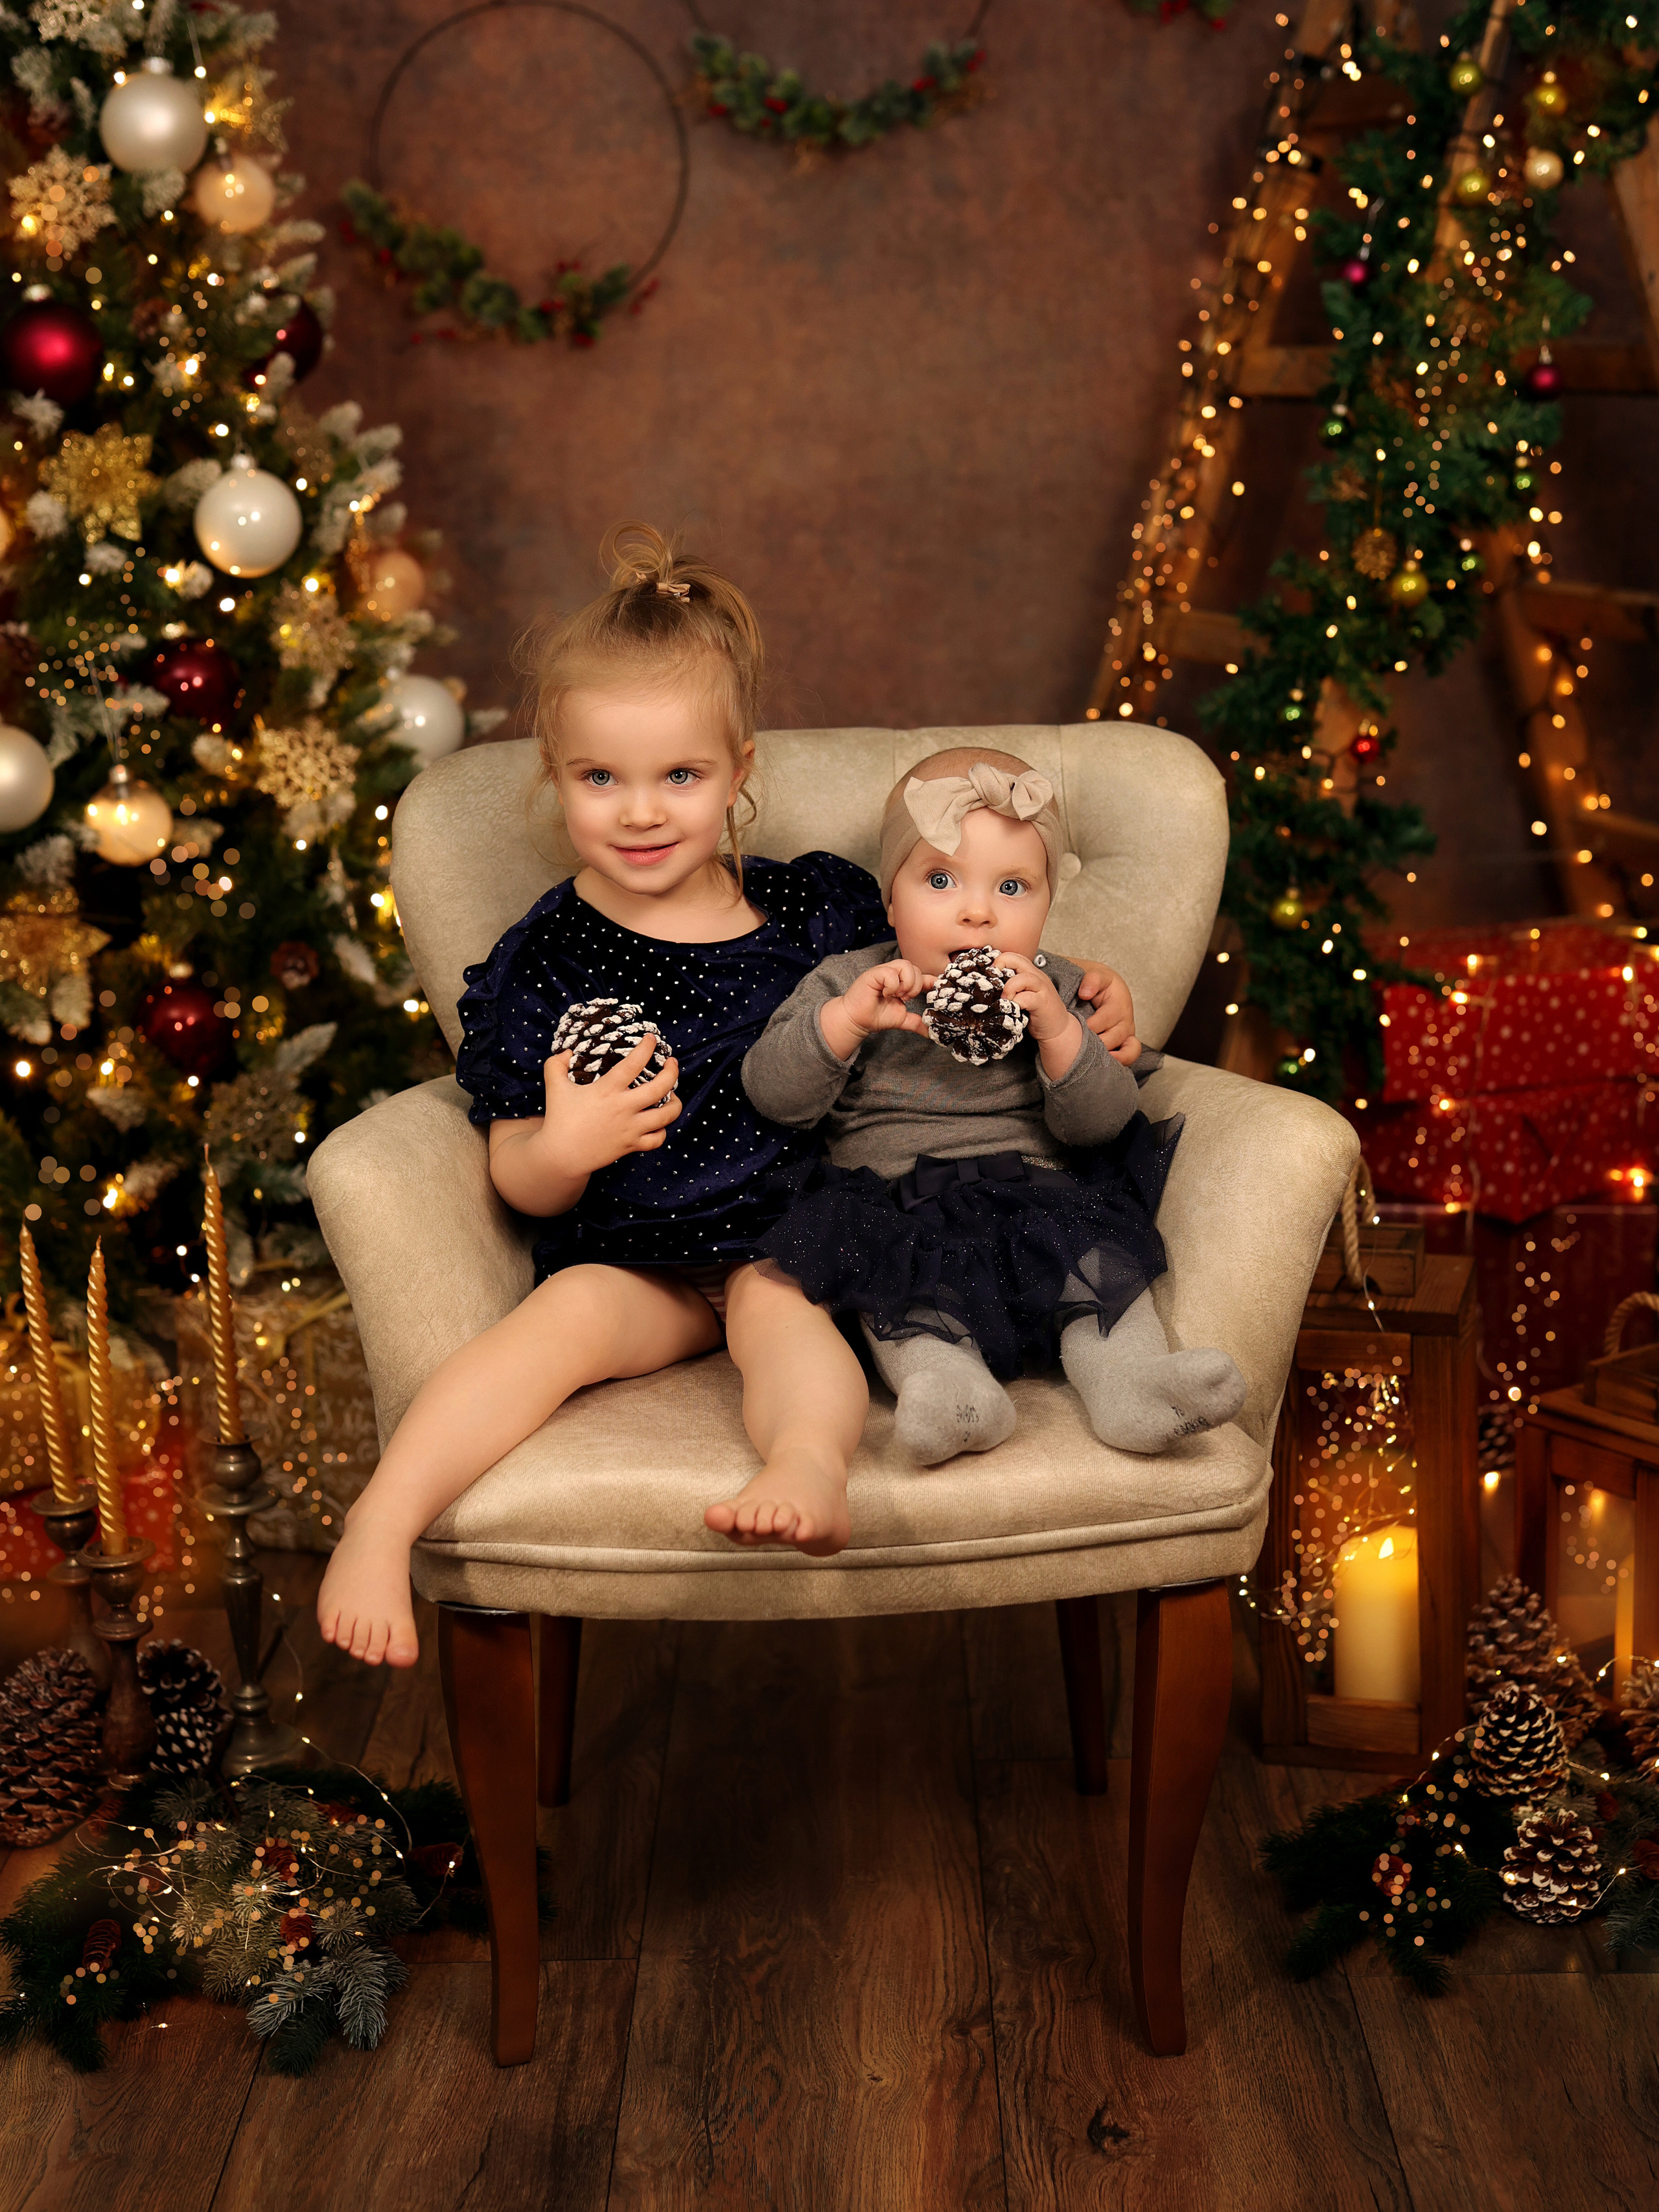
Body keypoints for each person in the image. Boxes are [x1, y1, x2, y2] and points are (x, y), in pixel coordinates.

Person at [316, 531, 1141, 1664]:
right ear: (554, 777)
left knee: (790, 1332)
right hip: (636, 1255)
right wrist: (570, 1139)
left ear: (739, 772)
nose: (641, 811)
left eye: (681, 777)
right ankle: (383, 1519)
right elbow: (514, 1169)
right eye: (600, 776)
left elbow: (959, 960)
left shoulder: (812, 910)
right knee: (552, 1328)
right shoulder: (549, 954)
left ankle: (804, 1466)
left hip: (795, 1235)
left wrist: (1088, 989)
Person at [743, 747, 1246, 1467]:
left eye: (1012, 887)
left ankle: (1132, 1383)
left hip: (1033, 1193)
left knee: (1096, 1267)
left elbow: (1101, 1121)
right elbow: (774, 1094)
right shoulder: (852, 981)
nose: (977, 911)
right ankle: (955, 1394)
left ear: (1046, 903)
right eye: (940, 880)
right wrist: (845, 1024)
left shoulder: (1057, 987)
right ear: (891, 897)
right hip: (896, 1204)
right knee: (902, 1299)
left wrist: (1060, 1032)